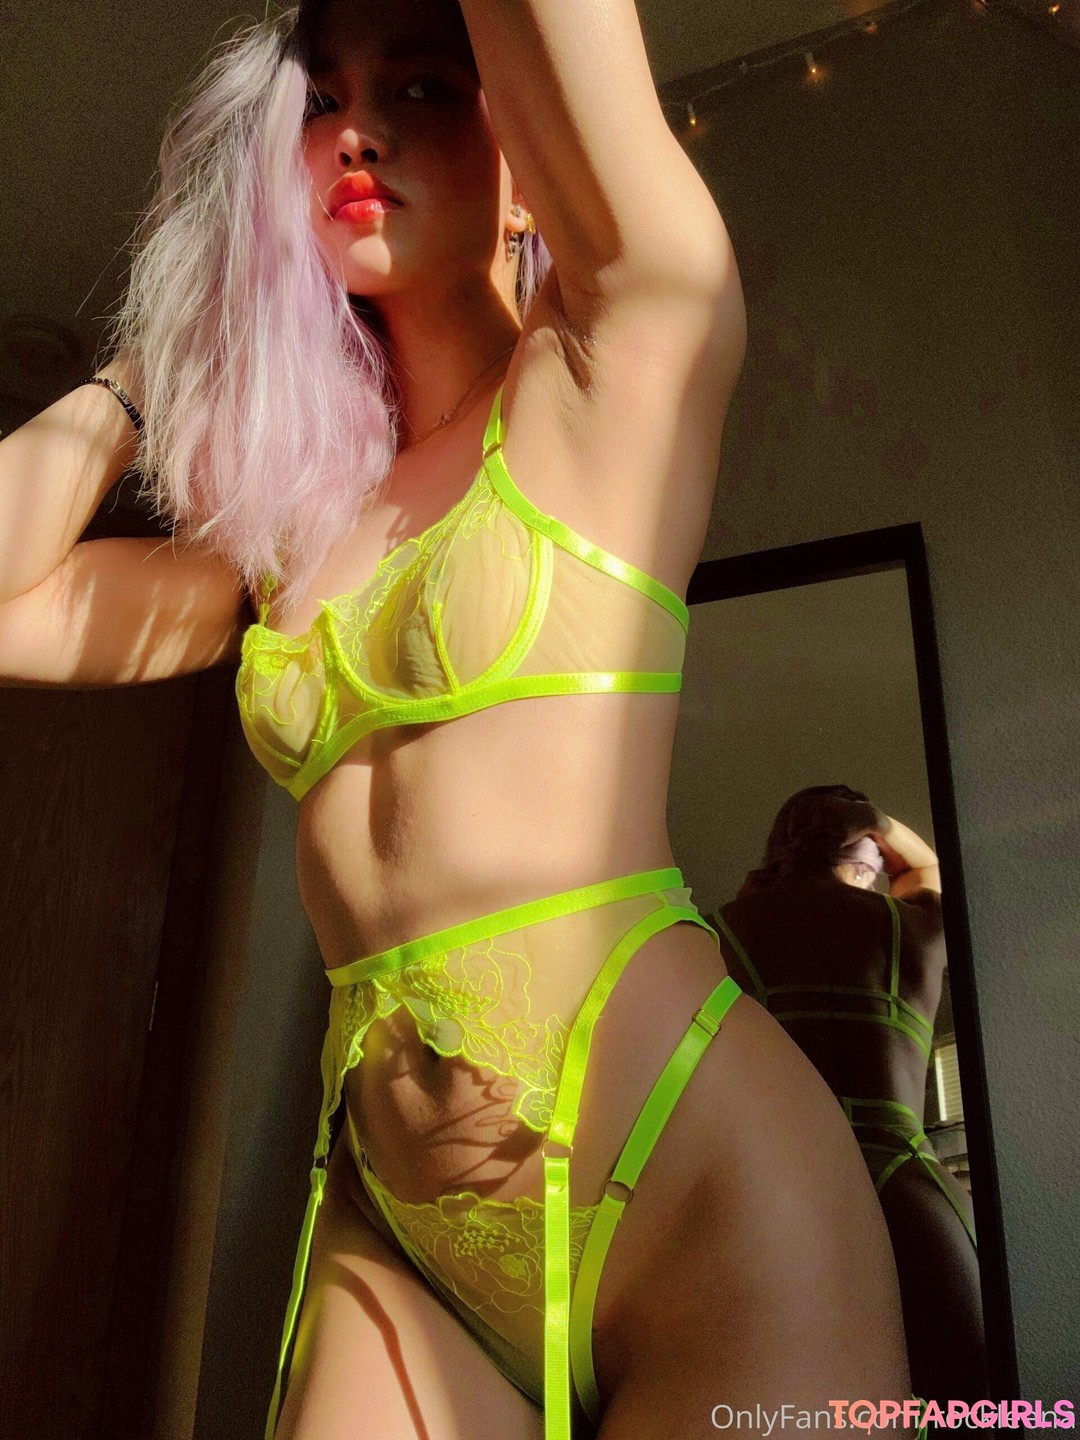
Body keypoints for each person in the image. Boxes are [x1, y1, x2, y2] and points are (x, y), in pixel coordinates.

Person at [0, 3, 919, 1436]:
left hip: (697, 1192)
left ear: (526, 156)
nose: (356, 133)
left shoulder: (617, 360)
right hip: (402, 1229)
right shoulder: (290, 530)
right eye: (319, 101)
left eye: (423, 88)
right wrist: (155, 358)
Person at [713, 786, 987, 1405]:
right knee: (974, 1406)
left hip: (779, 1195)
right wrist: (879, 822)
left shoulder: (722, 932)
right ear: (873, 859)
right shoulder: (915, 929)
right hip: (907, 1186)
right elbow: (926, 866)